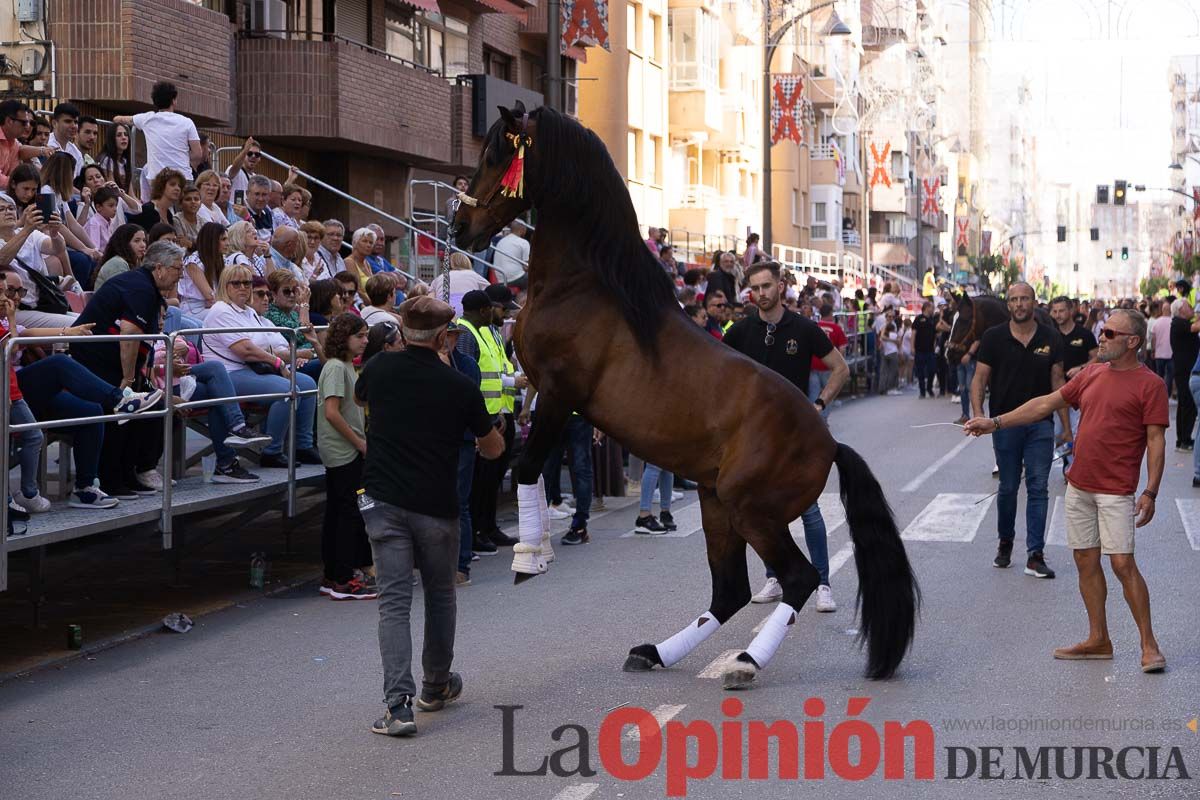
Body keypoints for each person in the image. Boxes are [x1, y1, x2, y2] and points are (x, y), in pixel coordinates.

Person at [964, 309, 1167, 673]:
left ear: (1132, 341)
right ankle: (1098, 639)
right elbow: (1045, 403)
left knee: (1122, 564)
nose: (1100, 338)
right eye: (1102, 332)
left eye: (1108, 333)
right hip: (1079, 485)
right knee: (1085, 561)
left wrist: (1150, 491)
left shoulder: (1150, 384)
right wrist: (994, 423)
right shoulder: (1091, 373)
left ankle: (1149, 645)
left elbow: (1155, 440)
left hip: (1116, 490)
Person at [355, 295, 504, 737]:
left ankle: (397, 707)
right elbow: (492, 448)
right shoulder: (458, 385)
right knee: (440, 596)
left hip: (383, 499)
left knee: (394, 603)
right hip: (436, 506)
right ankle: (435, 686)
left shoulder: (379, 369)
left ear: (401, 331)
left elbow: (363, 396)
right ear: (443, 337)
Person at [724, 261, 849, 612]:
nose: (761, 293)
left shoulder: (804, 328)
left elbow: (840, 368)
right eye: (755, 288)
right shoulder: (740, 330)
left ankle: (823, 583)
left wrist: (819, 405)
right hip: (754, 437)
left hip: (795, 437)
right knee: (763, 511)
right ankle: (775, 577)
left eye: (767, 286)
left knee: (807, 509)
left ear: (780, 286)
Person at [70, 241, 188, 496]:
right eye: (178, 268)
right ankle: (112, 479)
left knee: (156, 405)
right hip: (95, 360)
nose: (181, 274)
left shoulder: (147, 286)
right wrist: (128, 378)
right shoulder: (140, 287)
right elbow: (130, 333)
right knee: (121, 414)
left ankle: (133, 471)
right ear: (159, 268)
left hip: (111, 359)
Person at [970, 282, 1068, 579]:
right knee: (1009, 486)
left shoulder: (1051, 337)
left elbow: (1058, 383)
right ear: (1008, 304)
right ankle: (1005, 542)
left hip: (1040, 425)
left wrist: (1067, 428)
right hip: (1005, 424)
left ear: (1034, 302)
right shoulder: (993, 337)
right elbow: (979, 379)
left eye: (1024, 299)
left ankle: (1035, 555)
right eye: (1013, 300)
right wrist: (978, 415)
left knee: (1038, 487)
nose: (1019, 304)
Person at [201, 265, 320, 468]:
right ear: (225, 286)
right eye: (236, 283)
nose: (243, 288)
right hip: (229, 373)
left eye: (247, 283)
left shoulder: (248, 312)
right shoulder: (221, 309)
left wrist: (274, 357)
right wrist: (277, 361)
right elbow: (246, 350)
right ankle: (271, 451)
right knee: (288, 390)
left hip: (254, 368)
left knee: (308, 384)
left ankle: (303, 445)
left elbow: (267, 343)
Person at [456, 289, 523, 553]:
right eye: (502, 309)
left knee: (492, 479)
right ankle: (475, 532)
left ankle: (488, 527)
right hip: (483, 418)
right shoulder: (467, 333)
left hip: (498, 413)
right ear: (487, 308)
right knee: (478, 482)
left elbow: (498, 369)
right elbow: (471, 379)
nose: (505, 314)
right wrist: (488, 417)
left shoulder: (491, 331)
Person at [318, 312, 376, 601]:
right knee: (348, 515)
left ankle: (333, 574)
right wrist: (359, 443)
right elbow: (331, 412)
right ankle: (343, 579)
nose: (365, 341)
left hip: (346, 449)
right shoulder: (337, 369)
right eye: (360, 336)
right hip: (344, 451)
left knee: (339, 513)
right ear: (345, 339)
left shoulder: (343, 367)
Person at [114, 81, 202, 188]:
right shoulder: (187, 122)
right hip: (183, 177)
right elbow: (197, 154)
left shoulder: (147, 119)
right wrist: (181, 156)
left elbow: (118, 119)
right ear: (173, 101)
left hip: (157, 180)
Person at [1049, 295, 1098, 473]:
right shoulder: (1049, 335)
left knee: (1077, 432)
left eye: (1061, 310)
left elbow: (1097, 358)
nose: (1058, 315)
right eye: (1054, 311)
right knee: (1058, 432)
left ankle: (1072, 468)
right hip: (1057, 394)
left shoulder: (1084, 334)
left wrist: (1081, 368)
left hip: (1080, 393)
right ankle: (1067, 459)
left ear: (1071, 311)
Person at [1169, 298, 1198, 451]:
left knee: (1185, 404)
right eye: (1188, 306)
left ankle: (1183, 439)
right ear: (1181, 310)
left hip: (1184, 369)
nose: (1191, 308)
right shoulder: (1179, 323)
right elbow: (1195, 327)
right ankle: (1184, 440)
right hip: (1185, 370)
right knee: (1187, 404)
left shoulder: (1180, 323)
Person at [91, 223, 147, 291]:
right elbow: (124, 295)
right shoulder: (117, 263)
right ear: (124, 243)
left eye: (144, 240)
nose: (143, 245)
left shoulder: (137, 263)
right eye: (137, 241)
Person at [46, 103, 83, 177]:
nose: (73, 126)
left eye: (76, 122)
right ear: (54, 123)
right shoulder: (45, 144)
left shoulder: (77, 154)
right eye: (68, 121)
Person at [491, 220, 530, 288]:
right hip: (515, 277)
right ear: (522, 229)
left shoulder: (501, 241)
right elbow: (526, 267)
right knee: (536, 277)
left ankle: (521, 297)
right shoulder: (524, 242)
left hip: (501, 278)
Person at [911, 301, 937, 398]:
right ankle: (922, 391)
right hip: (919, 350)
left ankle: (929, 388)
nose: (933, 309)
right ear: (927, 308)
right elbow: (913, 334)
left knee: (932, 369)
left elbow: (934, 335)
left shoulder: (932, 320)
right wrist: (912, 347)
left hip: (930, 350)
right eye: (932, 307)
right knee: (920, 371)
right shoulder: (918, 319)